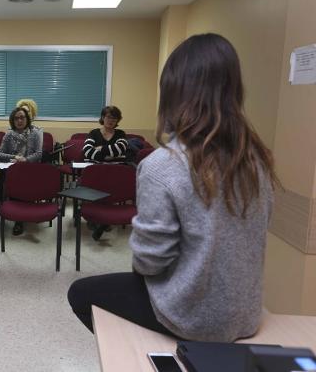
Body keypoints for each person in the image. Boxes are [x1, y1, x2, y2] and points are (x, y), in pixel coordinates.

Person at [67, 33, 276, 343]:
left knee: (80, 294)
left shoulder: (164, 165)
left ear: (173, 94)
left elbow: (149, 263)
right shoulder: (256, 160)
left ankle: (142, 352)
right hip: (245, 314)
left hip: (192, 319)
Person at [82, 106, 130, 240]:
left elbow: (120, 148)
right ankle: (97, 219)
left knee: (111, 185)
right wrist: (109, 155)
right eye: (108, 117)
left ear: (117, 120)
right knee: (95, 185)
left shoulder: (120, 134)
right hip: (97, 171)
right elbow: (87, 151)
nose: (111, 120)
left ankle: (102, 220)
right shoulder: (94, 133)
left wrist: (100, 149)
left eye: (114, 118)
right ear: (103, 118)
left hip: (114, 171)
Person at [0, 106, 43, 235]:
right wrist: (14, 157)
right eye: (16, 118)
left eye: (22, 117)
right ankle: (18, 217)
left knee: (23, 179)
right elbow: (0, 154)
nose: (19, 120)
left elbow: (39, 153)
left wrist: (26, 160)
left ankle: (22, 216)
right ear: (13, 120)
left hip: (30, 168)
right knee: (13, 179)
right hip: (13, 169)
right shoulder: (9, 134)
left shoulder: (35, 133)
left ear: (27, 119)